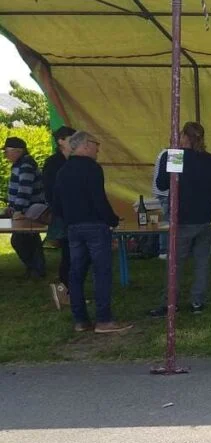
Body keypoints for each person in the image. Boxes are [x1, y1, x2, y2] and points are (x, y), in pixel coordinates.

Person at [52, 131, 133, 333]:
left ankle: (80, 320)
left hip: (73, 227)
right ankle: (104, 320)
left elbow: (56, 203)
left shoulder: (63, 170)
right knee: (101, 272)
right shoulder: (92, 168)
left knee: (76, 273)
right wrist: (112, 220)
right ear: (85, 145)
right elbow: (99, 199)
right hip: (95, 226)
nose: (98, 148)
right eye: (96, 144)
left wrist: (69, 219)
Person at [148, 122, 211, 316]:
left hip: (181, 217)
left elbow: (162, 183)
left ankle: (170, 302)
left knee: (175, 263)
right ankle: (198, 302)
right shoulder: (210, 159)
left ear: (184, 137)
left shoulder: (175, 156)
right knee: (202, 262)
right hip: (204, 217)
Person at [2, 136, 47, 278]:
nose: (5, 155)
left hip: (30, 210)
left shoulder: (25, 165)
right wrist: (12, 207)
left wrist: (18, 211)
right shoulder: (21, 164)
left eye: (7, 151)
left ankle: (35, 269)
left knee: (19, 240)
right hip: (27, 209)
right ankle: (36, 269)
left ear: (18, 151)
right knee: (30, 239)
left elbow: (24, 190)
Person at [42, 125, 76, 308]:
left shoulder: (74, 161)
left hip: (74, 214)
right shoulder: (53, 163)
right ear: (61, 141)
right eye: (71, 139)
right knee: (69, 254)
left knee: (74, 254)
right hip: (62, 214)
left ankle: (67, 291)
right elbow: (49, 191)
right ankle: (64, 292)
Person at [152, 149, 169, 260]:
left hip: (162, 193)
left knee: (166, 221)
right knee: (167, 221)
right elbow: (173, 175)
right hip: (166, 193)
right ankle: (164, 250)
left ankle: (164, 250)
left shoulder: (163, 153)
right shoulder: (172, 154)